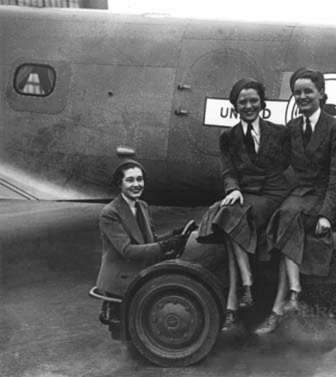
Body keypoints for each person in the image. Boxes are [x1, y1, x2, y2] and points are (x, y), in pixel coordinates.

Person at [255, 68, 336, 334]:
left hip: (328, 196)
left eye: (308, 91)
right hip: (302, 194)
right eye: (297, 92)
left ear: (321, 94)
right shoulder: (293, 127)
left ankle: (282, 304)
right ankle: (291, 297)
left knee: (287, 218)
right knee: (283, 216)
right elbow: (279, 165)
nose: (303, 96)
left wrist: (326, 215)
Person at [197, 78, 290, 331]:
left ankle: (236, 300)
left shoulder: (279, 132)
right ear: (235, 106)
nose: (249, 106)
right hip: (246, 194)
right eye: (242, 102)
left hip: (273, 194)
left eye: (253, 101)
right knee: (226, 213)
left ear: (262, 103)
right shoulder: (228, 136)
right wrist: (234, 189)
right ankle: (246, 284)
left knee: (233, 221)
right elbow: (228, 171)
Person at [96, 159, 187, 298]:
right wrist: (165, 245)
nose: (136, 185)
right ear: (120, 184)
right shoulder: (110, 213)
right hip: (119, 283)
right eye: (130, 180)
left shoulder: (142, 206)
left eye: (140, 179)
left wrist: (173, 234)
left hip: (140, 276)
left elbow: (150, 241)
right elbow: (128, 250)